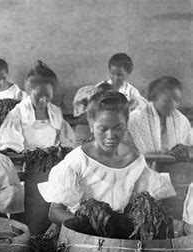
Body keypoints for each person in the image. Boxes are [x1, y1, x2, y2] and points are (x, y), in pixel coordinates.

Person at [38, 91, 178, 233]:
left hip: (115, 237)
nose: (111, 136)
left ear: (126, 123)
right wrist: (90, 225)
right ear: (91, 125)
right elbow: (55, 212)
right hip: (78, 234)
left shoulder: (134, 161)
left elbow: (132, 205)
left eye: (118, 127)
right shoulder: (77, 162)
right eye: (103, 129)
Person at [0, 71, 75, 153]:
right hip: (24, 161)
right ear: (29, 92)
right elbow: (10, 148)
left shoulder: (55, 113)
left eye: (47, 95)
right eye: (38, 95)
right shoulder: (18, 114)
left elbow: (66, 142)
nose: (42, 100)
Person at [127, 76, 192, 156]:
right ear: (154, 98)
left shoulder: (181, 120)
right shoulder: (135, 118)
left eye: (177, 100)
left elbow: (188, 145)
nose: (173, 104)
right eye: (167, 100)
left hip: (174, 167)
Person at [73, 53, 147, 118]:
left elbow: (140, 109)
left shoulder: (132, 91)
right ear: (109, 71)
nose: (115, 77)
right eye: (112, 73)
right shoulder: (101, 86)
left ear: (128, 73)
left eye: (120, 75)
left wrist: (130, 106)